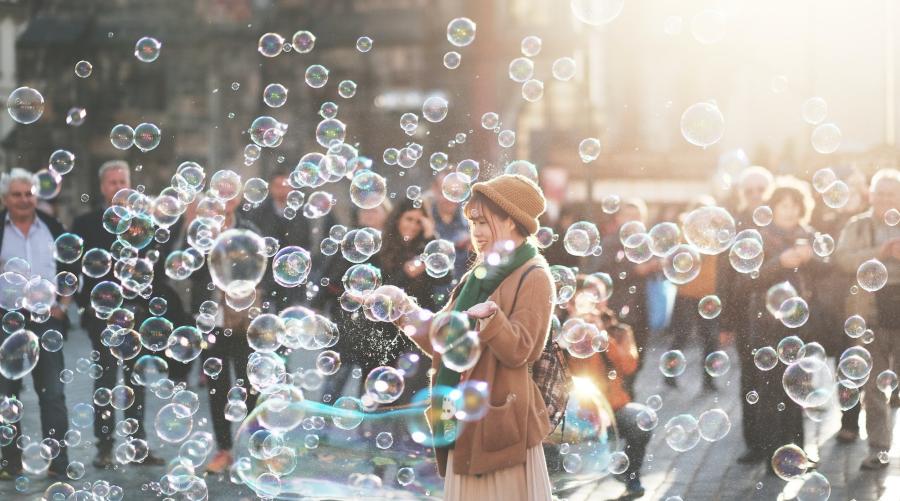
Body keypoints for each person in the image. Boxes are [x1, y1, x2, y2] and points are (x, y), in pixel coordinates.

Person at [397, 174, 554, 500]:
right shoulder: (477, 276)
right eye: (472, 222)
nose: (476, 232)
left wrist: (493, 320)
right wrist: (402, 309)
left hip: (499, 428)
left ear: (511, 221)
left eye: (484, 222)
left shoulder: (534, 275)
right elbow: (444, 340)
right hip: (462, 418)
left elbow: (523, 350)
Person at [71, 160, 167, 468]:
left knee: (136, 381)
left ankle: (137, 446)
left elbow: (155, 267)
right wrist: (85, 306)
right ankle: (104, 447)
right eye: (112, 182)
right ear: (102, 187)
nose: (117, 187)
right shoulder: (85, 223)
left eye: (122, 181)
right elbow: (74, 270)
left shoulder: (142, 223)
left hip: (136, 314)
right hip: (101, 315)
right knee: (106, 381)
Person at [737, 177, 827, 466]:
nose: (789, 210)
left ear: (802, 208)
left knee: (799, 389)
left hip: (802, 327)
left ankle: (796, 452)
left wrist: (812, 260)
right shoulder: (759, 237)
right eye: (782, 205)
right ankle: (771, 455)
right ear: (772, 208)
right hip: (767, 328)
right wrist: (780, 263)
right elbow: (744, 281)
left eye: (794, 205)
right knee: (769, 392)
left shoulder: (809, 236)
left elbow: (831, 271)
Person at [0, 168, 72, 480]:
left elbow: (73, 270)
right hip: (5, 319)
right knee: (5, 395)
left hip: (46, 320)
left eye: (28, 193)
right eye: (16, 194)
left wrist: (63, 305)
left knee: (53, 392)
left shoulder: (53, 227)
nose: (23, 199)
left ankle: (59, 461)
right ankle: (8, 463)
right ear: (5, 198)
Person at [185, 191, 263, 474]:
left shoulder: (249, 231)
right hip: (211, 319)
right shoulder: (199, 231)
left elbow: (259, 270)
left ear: (240, 199)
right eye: (221, 193)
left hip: (241, 320)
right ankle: (224, 450)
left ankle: (251, 447)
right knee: (217, 388)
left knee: (248, 385)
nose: (226, 199)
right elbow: (187, 269)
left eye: (232, 193)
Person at [834, 168, 900, 469]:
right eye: (881, 192)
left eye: (892, 193)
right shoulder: (857, 226)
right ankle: (879, 449)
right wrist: (881, 252)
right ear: (870, 195)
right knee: (874, 386)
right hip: (870, 313)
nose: (886, 198)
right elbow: (843, 259)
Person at [561, 278, 650, 500]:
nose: (593, 304)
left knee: (642, 418)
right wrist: (571, 334)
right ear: (571, 304)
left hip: (613, 409)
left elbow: (630, 366)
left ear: (605, 301)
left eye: (597, 298)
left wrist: (603, 337)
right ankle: (553, 483)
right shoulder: (559, 334)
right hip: (573, 412)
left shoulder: (619, 330)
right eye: (585, 299)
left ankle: (629, 474)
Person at [588, 198, 659, 377]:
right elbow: (602, 274)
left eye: (638, 217)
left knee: (638, 358)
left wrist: (656, 267)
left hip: (641, 307)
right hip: (618, 307)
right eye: (629, 216)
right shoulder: (611, 242)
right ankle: (623, 397)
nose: (633, 220)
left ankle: (629, 392)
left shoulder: (645, 244)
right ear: (619, 219)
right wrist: (635, 270)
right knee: (619, 358)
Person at [665, 197, 720, 391]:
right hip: (686, 293)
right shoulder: (683, 234)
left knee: (711, 338)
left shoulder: (716, 236)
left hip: (708, 294)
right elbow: (675, 259)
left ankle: (709, 380)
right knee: (681, 336)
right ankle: (669, 375)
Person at [430, 171, 473, 306]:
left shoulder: (472, 223)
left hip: (464, 302)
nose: (450, 197)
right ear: (435, 190)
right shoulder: (421, 219)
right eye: (445, 191)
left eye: (455, 191)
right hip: (429, 303)